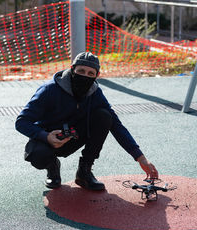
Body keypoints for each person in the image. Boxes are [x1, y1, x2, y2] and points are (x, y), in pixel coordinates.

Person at [15, 52, 158, 191]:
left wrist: (140, 157)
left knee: (104, 116)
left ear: (97, 76)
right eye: (81, 71)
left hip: (74, 136)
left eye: (91, 73)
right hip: (49, 138)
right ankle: (52, 167)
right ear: (72, 70)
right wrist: (45, 136)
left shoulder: (95, 93)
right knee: (38, 156)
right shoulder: (49, 90)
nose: (85, 76)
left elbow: (116, 125)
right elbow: (21, 121)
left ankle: (84, 171)